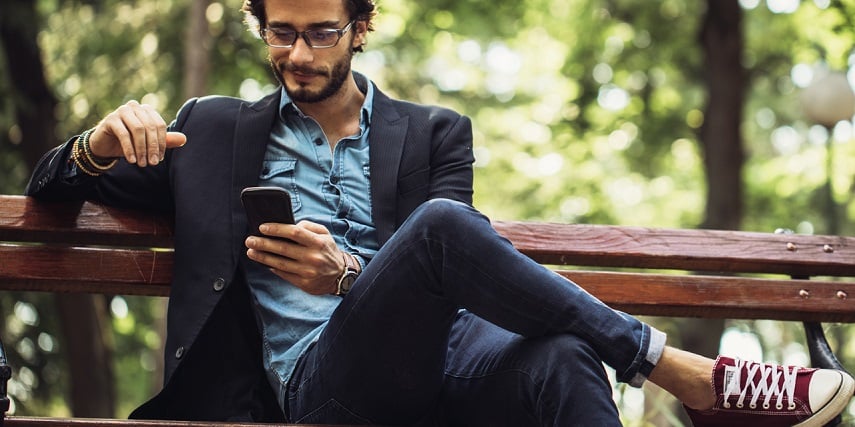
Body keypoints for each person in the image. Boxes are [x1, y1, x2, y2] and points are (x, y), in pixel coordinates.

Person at [26, 0, 854, 425]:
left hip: (443, 367)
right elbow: (50, 189)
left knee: (565, 354)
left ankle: (658, 366)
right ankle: (688, 375)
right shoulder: (209, 130)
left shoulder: (432, 133)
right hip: (319, 392)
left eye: (319, 33)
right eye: (279, 33)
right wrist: (95, 146)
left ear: (360, 29)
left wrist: (347, 270)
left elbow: (450, 280)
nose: (296, 55)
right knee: (440, 231)